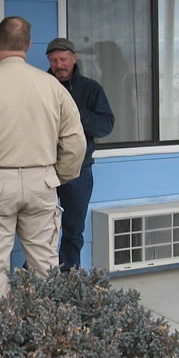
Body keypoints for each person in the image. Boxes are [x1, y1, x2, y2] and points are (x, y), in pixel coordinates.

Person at [0, 16, 86, 297]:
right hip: (42, 182)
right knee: (45, 268)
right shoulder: (52, 86)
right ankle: (47, 333)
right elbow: (75, 141)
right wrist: (58, 176)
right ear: (29, 45)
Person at [46, 37, 115, 272]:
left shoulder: (91, 88)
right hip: (43, 169)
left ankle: (68, 280)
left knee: (73, 230)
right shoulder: (41, 87)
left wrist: (75, 113)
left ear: (74, 58)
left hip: (79, 171)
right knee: (39, 229)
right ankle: (35, 283)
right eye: (54, 60)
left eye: (63, 59)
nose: (59, 65)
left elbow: (106, 125)